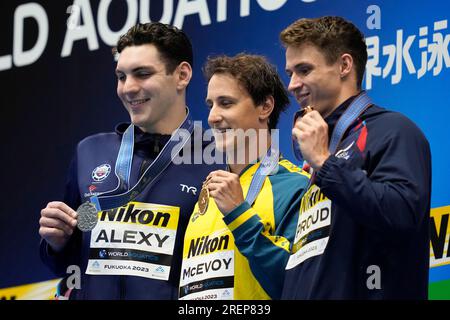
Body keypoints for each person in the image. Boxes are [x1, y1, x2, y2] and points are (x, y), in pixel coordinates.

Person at [39, 22, 224, 299]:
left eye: (142, 74)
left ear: (182, 75)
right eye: (121, 76)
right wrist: (57, 242)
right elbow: (69, 268)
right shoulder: (90, 151)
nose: (128, 88)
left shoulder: (217, 157)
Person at [280, 16, 431, 299]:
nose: (292, 84)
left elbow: (402, 213)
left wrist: (325, 163)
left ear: (344, 66)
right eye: (290, 72)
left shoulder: (393, 130)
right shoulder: (324, 152)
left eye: (304, 70)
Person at [178, 54, 310, 300]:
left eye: (226, 103)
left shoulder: (295, 186)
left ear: (265, 107)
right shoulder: (207, 192)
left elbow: (300, 283)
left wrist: (240, 216)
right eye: (210, 105)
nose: (212, 117)